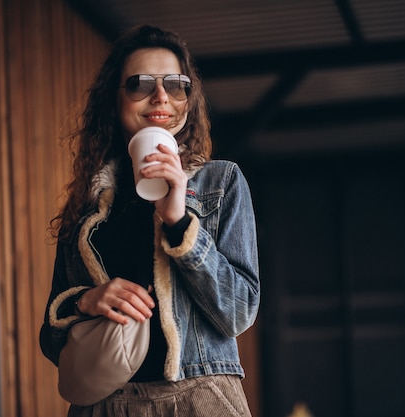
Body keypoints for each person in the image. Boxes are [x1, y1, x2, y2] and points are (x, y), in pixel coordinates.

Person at [40, 24, 260, 417]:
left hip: (199, 395)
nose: (161, 96)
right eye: (140, 84)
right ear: (115, 100)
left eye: (176, 84)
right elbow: (51, 340)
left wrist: (179, 223)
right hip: (105, 404)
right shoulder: (86, 203)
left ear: (188, 100)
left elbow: (238, 312)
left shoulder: (220, 182)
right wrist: (87, 301)